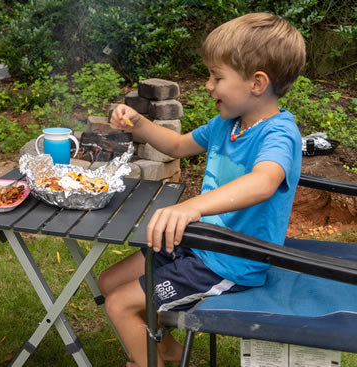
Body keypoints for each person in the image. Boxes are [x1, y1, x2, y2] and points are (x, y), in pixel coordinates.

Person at [99, 13, 306, 367]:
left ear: (256, 83)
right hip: (196, 246)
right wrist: (140, 123)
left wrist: (190, 207)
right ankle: (168, 353)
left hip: (228, 263)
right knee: (108, 282)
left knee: (120, 303)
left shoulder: (279, 134)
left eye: (217, 76)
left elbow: (264, 181)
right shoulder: (227, 123)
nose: (208, 85)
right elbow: (178, 146)